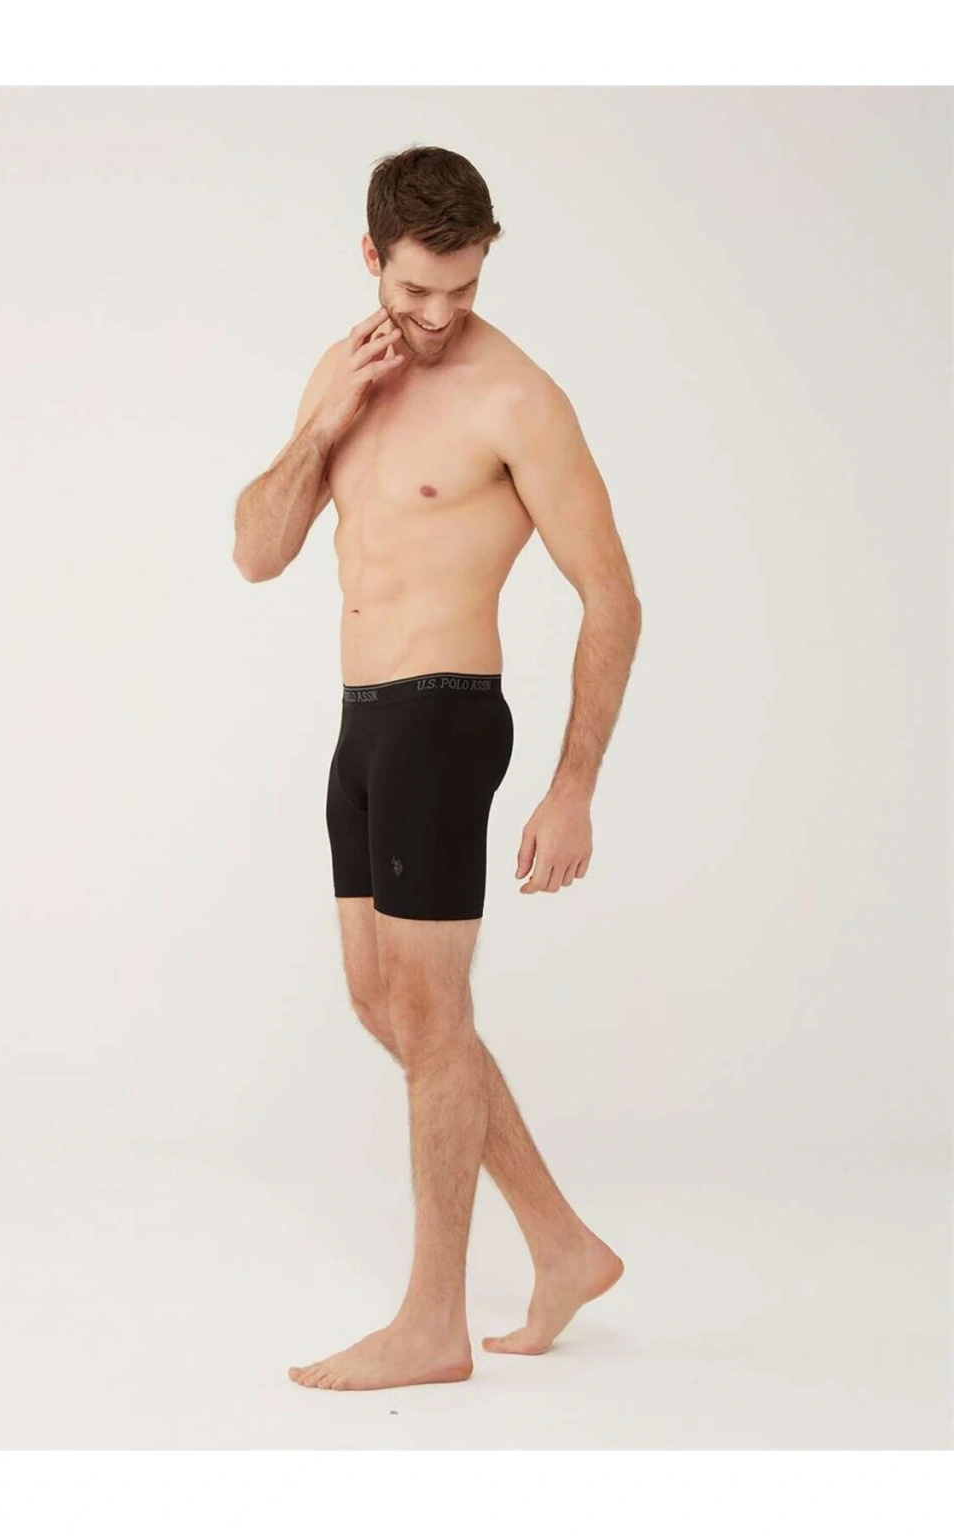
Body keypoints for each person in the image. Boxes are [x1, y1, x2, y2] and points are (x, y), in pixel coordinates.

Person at [233, 145, 642, 1392]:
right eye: (416, 289)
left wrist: (572, 787)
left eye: (461, 290)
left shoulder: (515, 398)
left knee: (430, 1014)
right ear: (371, 256)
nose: (438, 315)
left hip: (447, 717)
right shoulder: (343, 370)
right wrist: (324, 427)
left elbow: (612, 598)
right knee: (388, 1007)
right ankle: (563, 1246)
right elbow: (256, 551)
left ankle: (432, 1323)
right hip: (363, 724)